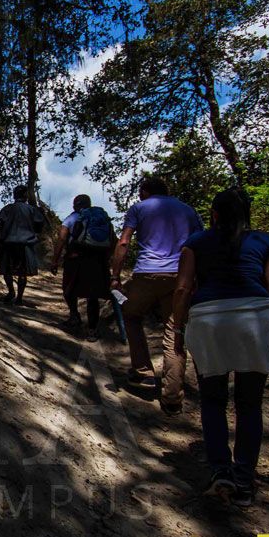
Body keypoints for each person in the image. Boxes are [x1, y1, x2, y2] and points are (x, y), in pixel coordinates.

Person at [172, 188, 269, 506]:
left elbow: (184, 288)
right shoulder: (268, 243)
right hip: (256, 319)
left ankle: (220, 472)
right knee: (249, 403)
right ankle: (243, 479)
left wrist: (178, 328)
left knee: (213, 400)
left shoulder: (195, 243)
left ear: (213, 214)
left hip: (208, 319)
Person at [111, 177, 203, 413]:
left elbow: (124, 243)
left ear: (144, 191)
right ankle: (172, 396)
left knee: (131, 315)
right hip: (180, 277)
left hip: (146, 274)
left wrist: (115, 276)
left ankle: (143, 372)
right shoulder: (188, 210)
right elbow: (200, 244)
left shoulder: (139, 208)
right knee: (175, 330)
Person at [50, 194, 115, 341]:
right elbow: (113, 241)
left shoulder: (72, 218)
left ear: (75, 205)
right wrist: (107, 258)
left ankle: (74, 316)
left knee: (69, 289)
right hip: (98, 261)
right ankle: (92, 330)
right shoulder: (102, 219)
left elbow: (62, 238)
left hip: (76, 258)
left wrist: (55, 260)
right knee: (93, 295)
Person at [0, 185, 46, 305]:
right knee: (22, 273)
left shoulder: (7, 209)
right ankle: (19, 298)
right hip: (25, 245)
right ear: (25, 196)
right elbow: (39, 226)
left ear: (14, 195)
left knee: (7, 270)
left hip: (9, 243)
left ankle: (11, 292)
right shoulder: (32, 210)